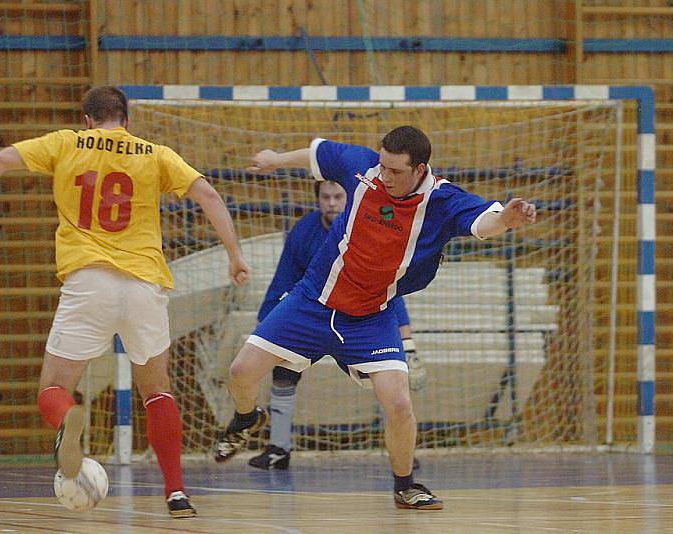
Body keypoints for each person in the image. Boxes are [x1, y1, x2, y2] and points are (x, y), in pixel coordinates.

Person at [0, 86, 250, 519]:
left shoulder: (66, 142)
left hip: (89, 281)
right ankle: (176, 492)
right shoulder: (154, 153)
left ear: (86, 119)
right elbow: (209, 195)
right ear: (126, 119)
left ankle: (68, 419)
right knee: (158, 392)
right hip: (144, 285)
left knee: (54, 388)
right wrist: (234, 255)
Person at [213, 126, 536, 511]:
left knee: (399, 402)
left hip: (370, 316)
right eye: (383, 166)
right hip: (312, 301)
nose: (385, 176)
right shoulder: (366, 168)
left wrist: (507, 220)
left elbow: (484, 220)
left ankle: (406, 485)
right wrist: (276, 159)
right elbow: (319, 152)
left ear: (420, 169)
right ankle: (247, 418)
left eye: (396, 171)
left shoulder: (441, 199)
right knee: (240, 372)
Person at [248, 180, 426, 471]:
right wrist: (263, 331)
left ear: (350, 198)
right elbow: (283, 279)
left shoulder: (370, 228)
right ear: (317, 199)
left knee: (387, 383)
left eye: (338, 197)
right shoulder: (303, 232)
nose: (331, 203)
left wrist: (408, 343)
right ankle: (279, 448)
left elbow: (390, 289)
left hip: (359, 322)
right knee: (283, 374)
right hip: (313, 318)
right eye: (325, 197)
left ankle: (401, 452)